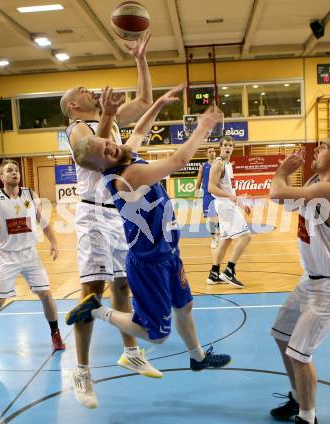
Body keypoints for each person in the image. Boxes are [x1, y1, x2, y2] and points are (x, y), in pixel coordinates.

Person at [66, 86, 231, 375]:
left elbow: (139, 130)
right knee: (157, 335)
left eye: (109, 142)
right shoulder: (128, 176)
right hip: (149, 261)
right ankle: (95, 310)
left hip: (169, 251)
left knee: (185, 305)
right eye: (105, 148)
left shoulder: (125, 156)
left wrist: (157, 104)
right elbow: (179, 161)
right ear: (102, 163)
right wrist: (203, 127)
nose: (111, 145)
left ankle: (197, 356)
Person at [59, 32, 161, 409]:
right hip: (91, 213)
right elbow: (94, 158)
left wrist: (140, 58)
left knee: (124, 284)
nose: (91, 90)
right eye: (84, 90)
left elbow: (146, 100)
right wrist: (107, 115)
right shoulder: (77, 129)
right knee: (92, 293)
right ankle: (82, 370)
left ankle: (131, 352)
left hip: (118, 214)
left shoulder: (110, 121)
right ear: (73, 105)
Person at [268, 130, 330, 424]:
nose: (317, 149)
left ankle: (308, 418)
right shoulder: (314, 183)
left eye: (324, 147)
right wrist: (284, 175)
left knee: (300, 353)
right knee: (282, 334)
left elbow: (276, 192)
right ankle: (298, 397)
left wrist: (283, 170)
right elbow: (283, 203)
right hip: (311, 280)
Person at [0, 159, 66, 354]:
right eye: (9, 170)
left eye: (16, 170)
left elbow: (43, 221)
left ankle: (55, 333)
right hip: (6, 258)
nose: (14, 172)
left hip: (30, 256)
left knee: (46, 294)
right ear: (1, 177)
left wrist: (54, 242)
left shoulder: (30, 194)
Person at [206, 136, 251, 288]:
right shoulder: (218, 163)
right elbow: (211, 188)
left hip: (227, 204)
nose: (228, 147)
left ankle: (214, 273)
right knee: (246, 236)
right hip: (224, 205)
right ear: (220, 147)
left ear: (233, 148)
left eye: (230, 145)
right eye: (225, 145)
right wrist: (230, 197)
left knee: (226, 239)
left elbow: (229, 190)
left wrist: (240, 202)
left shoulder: (227, 164)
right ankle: (229, 271)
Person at [195, 146, 219, 249]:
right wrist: (196, 196)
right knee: (211, 218)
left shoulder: (220, 164)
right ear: (207, 154)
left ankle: (220, 235)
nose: (212, 153)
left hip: (219, 195)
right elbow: (199, 181)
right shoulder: (203, 166)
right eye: (210, 152)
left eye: (213, 151)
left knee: (220, 218)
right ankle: (214, 238)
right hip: (208, 195)